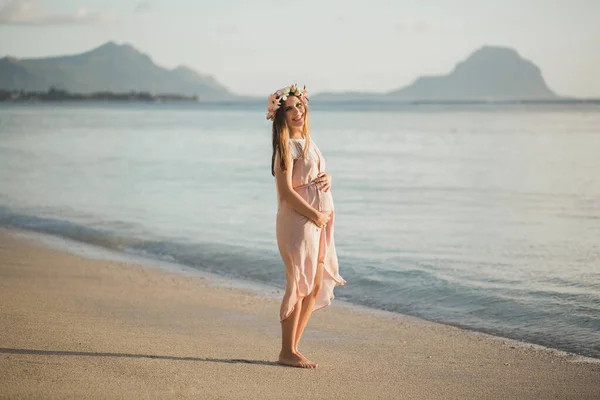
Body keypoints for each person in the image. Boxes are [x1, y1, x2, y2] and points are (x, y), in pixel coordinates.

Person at [268, 84, 346, 368]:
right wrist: (315, 214)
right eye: (288, 109)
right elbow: (287, 191)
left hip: (317, 221)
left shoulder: (309, 141)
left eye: (298, 105)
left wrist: (328, 177)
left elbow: (314, 174)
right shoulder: (286, 147)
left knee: (313, 286)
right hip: (299, 222)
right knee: (298, 283)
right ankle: (286, 351)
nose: (295, 112)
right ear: (281, 116)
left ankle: (294, 348)